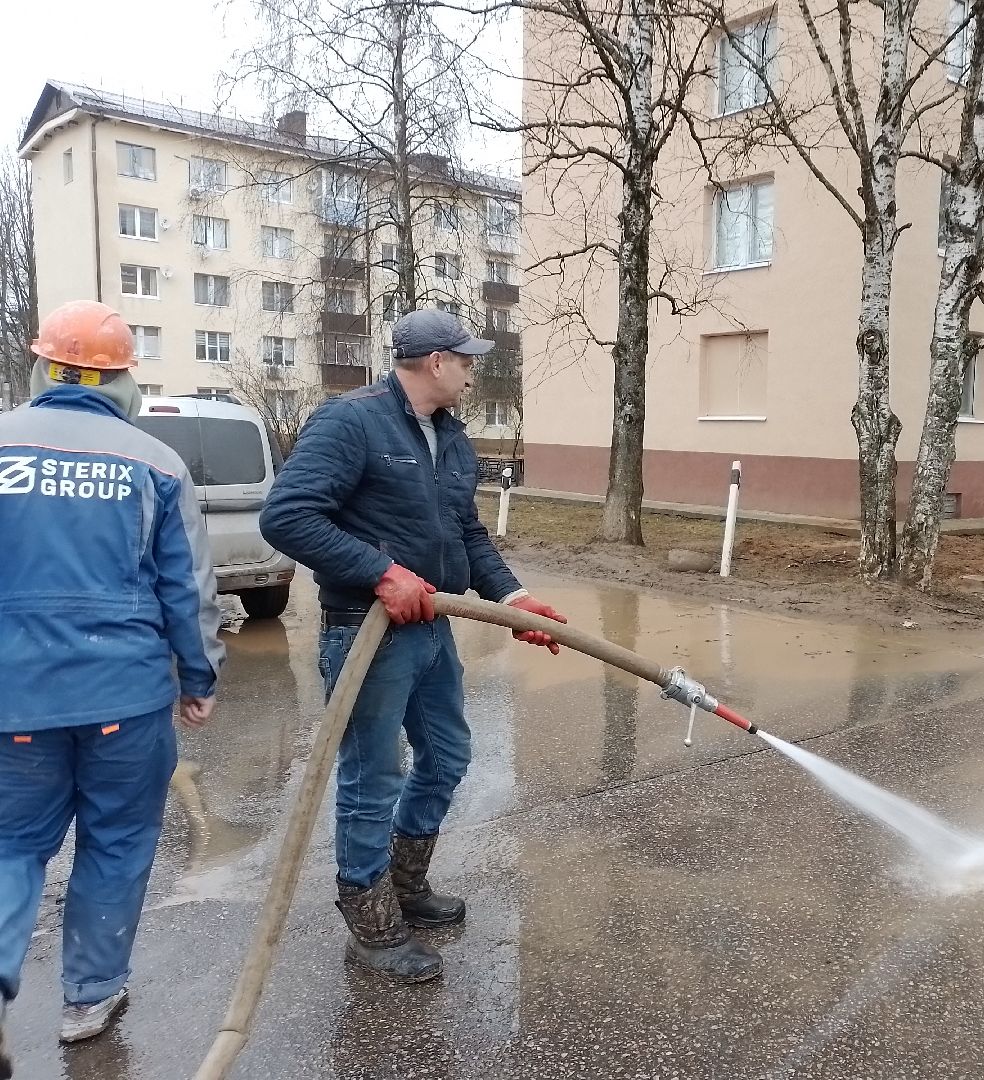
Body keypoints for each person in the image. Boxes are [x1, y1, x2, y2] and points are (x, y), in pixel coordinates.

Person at [259, 308, 567, 983]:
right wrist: (380, 571)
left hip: (432, 629)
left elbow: (468, 535)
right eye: (466, 359)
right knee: (373, 778)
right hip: (364, 631)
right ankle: (369, 926)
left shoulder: (452, 440)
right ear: (435, 362)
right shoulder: (352, 421)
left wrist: (515, 601)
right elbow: (287, 516)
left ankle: (404, 884)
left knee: (448, 756)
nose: (472, 369)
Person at [0, 301, 224, 1073]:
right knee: (118, 843)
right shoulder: (153, 461)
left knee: (8, 846)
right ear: (121, 378)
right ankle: (89, 998)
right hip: (122, 704)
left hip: (12, 702)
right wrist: (198, 679)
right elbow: (186, 589)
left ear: (43, 367)